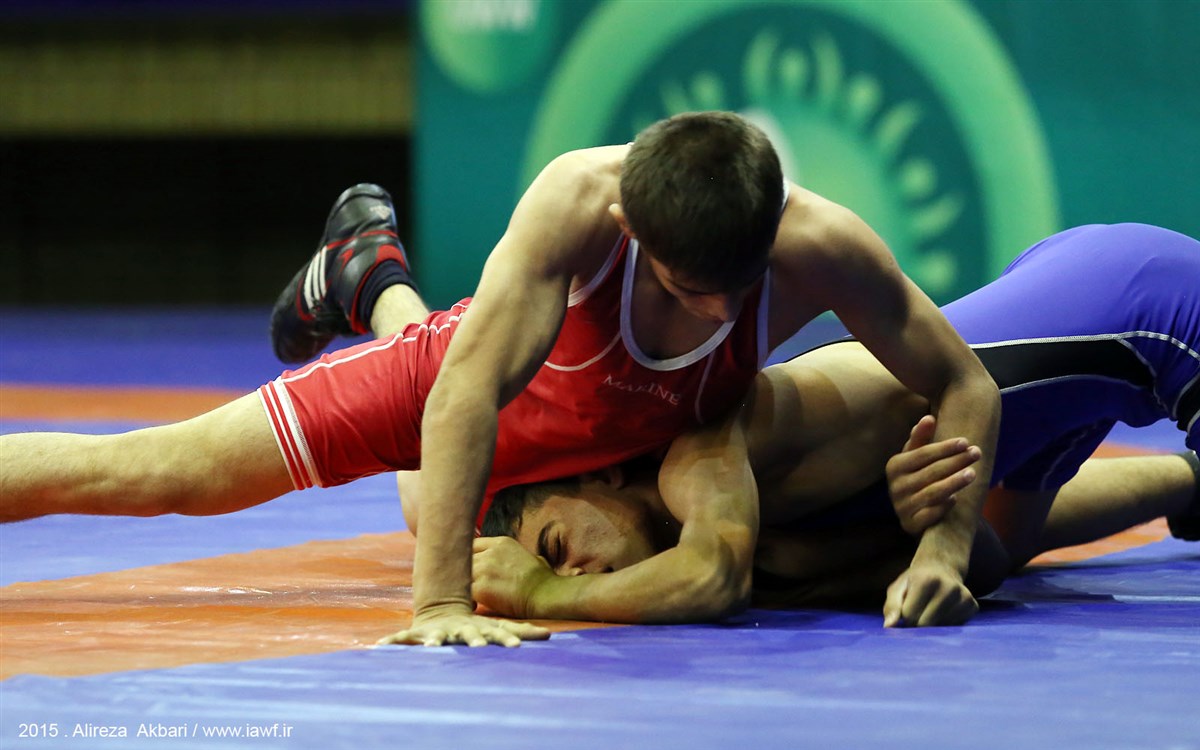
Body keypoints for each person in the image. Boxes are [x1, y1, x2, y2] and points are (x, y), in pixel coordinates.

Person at [1, 111, 1001, 646]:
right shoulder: (577, 203)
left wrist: (946, 548)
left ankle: (365, 272)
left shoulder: (819, 244)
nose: (721, 316)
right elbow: (465, 395)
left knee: (430, 503)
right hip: (467, 393)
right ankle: (369, 278)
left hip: (600, 447)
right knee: (155, 473)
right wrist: (439, 604)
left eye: (741, 290)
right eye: (692, 292)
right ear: (632, 232)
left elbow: (966, 384)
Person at [467, 223, 1200, 627]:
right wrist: (931, 534)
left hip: (1145, 307)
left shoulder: (701, 446)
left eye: (557, 547)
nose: (576, 573)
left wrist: (540, 598)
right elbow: (986, 558)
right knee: (1015, 534)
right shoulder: (758, 555)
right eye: (557, 573)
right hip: (1068, 373)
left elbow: (712, 579)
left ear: (599, 473)